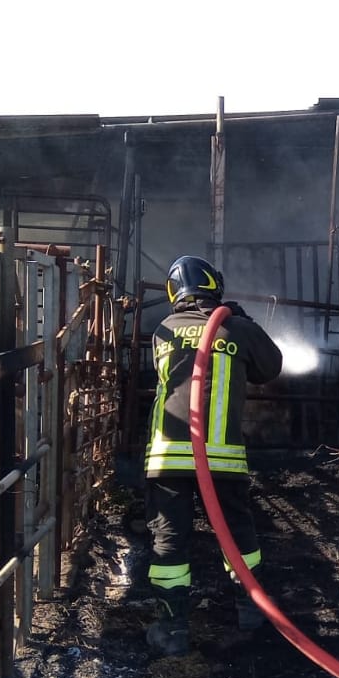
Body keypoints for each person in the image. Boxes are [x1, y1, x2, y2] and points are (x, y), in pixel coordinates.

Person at [143, 254, 283, 655]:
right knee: (238, 536)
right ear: (215, 286)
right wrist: (242, 322)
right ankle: (250, 611)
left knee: (170, 541)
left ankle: (172, 629)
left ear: (174, 292)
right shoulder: (235, 329)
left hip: (167, 458)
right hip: (221, 461)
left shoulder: (163, 329)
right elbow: (269, 367)